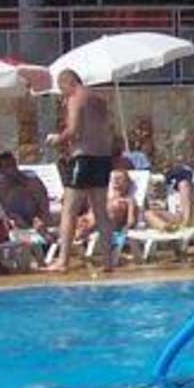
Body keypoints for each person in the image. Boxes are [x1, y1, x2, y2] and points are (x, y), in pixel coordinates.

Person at [52, 68, 119, 273]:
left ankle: (62, 261)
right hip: (102, 157)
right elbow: (106, 129)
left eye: (62, 89)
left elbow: (73, 130)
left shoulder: (75, 98)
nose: (63, 94)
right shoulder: (99, 99)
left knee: (69, 210)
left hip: (83, 158)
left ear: (67, 83)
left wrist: (57, 139)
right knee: (100, 211)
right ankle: (108, 262)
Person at [0, 152, 51, 230]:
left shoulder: (32, 181)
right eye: (7, 166)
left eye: (13, 165)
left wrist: (41, 217)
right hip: (14, 221)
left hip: (36, 217)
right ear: (1, 170)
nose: (11, 169)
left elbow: (43, 200)